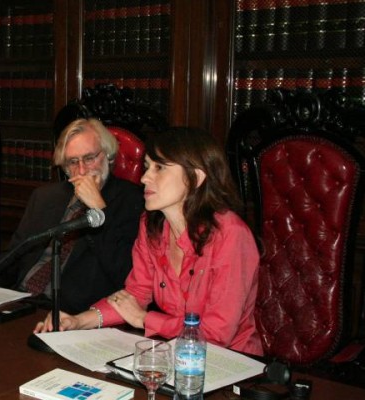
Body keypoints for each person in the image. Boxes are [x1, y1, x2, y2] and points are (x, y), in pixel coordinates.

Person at [35, 127, 263, 355]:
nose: (144, 178)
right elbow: (135, 295)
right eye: (146, 167)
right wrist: (77, 322)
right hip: (173, 352)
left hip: (230, 363)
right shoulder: (152, 225)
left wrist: (145, 320)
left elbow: (217, 334)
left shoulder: (231, 235)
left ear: (196, 177)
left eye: (160, 168)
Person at [0, 118, 144, 314]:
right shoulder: (45, 196)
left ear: (108, 155)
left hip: (74, 313)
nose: (82, 170)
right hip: (21, 301)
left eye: (89, 158)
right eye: (72, 162)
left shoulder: (133, 201)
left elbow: (125, 273)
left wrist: (98, 210)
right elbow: (14, 256)